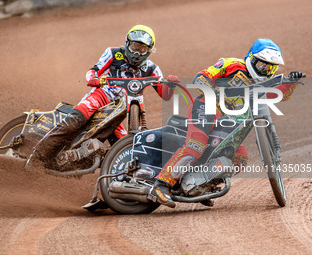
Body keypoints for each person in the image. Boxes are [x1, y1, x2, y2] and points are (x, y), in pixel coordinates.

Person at [149, 38, 304, 208]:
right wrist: (209, 88)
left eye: (271, 67)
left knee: (240, 156)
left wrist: (291, 82)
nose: (266, 70)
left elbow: (277, 95)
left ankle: (201, 186)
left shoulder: (264, 81)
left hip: (225, 119)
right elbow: (202, 76)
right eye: (262, 65)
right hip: (205, 106)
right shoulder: (231, 64)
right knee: (196, 145)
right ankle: (161, 184)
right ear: (251, 58)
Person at [28, 24, 179, 170]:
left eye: (142, 49)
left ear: (149, 50)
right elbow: (93, 70)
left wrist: (170, 85)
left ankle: (93, 172)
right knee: (75, 120)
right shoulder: (113, 53)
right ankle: (36, 157)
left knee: (123, 148)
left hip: (120, 110)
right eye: (135, 47)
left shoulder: (153, 69)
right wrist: (94, 79)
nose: (137, 52)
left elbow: (164, 95)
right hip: (101, 96)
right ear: (127, 44)